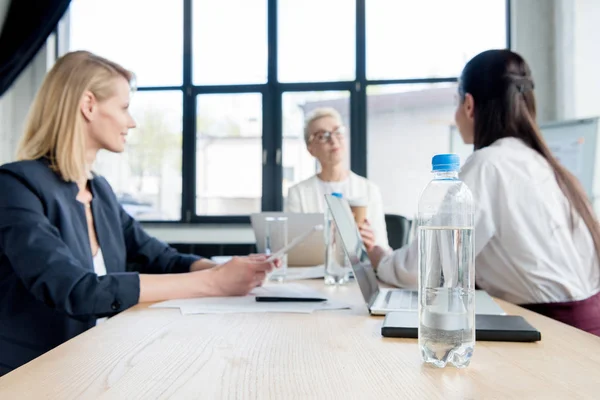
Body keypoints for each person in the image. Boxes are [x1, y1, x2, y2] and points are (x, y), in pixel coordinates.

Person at [0, 51, 277, 375]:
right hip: (30, 376)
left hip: (97, 363)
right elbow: (76, 290)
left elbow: (159, 257)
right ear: (88, 105)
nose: (131, 121)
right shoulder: (14, 186)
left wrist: (234, 270)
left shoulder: (98, 190)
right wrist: (214, 282)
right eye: (124, 107)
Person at [362, 49, 600, 335]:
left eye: (456, 103)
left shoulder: (487, 164)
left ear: (469, 105)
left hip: (551, 333)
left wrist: (382, 258)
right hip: (584, 333)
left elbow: (427, 269)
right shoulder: (546, 165)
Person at [285, 107, 389, 250]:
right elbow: (294, 250)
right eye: (322, 136)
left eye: (337, 132)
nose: (333, 140)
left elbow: (383, 249)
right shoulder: (298, 193)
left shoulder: (369, 189)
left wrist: (372, 247)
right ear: (310, 148)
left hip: (359, 270)